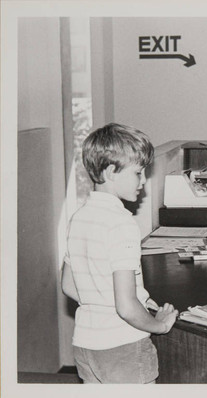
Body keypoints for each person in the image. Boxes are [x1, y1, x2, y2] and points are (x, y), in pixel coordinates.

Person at [61, 123, 178, 384]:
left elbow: (69, 285)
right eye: (138, 172)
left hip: (85, 346)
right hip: (123, 346)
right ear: (112, 171)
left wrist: (106, 304)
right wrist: (159, 324)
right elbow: (125, 307)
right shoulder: (122, 223)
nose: (144, 180)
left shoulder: (79, 217)